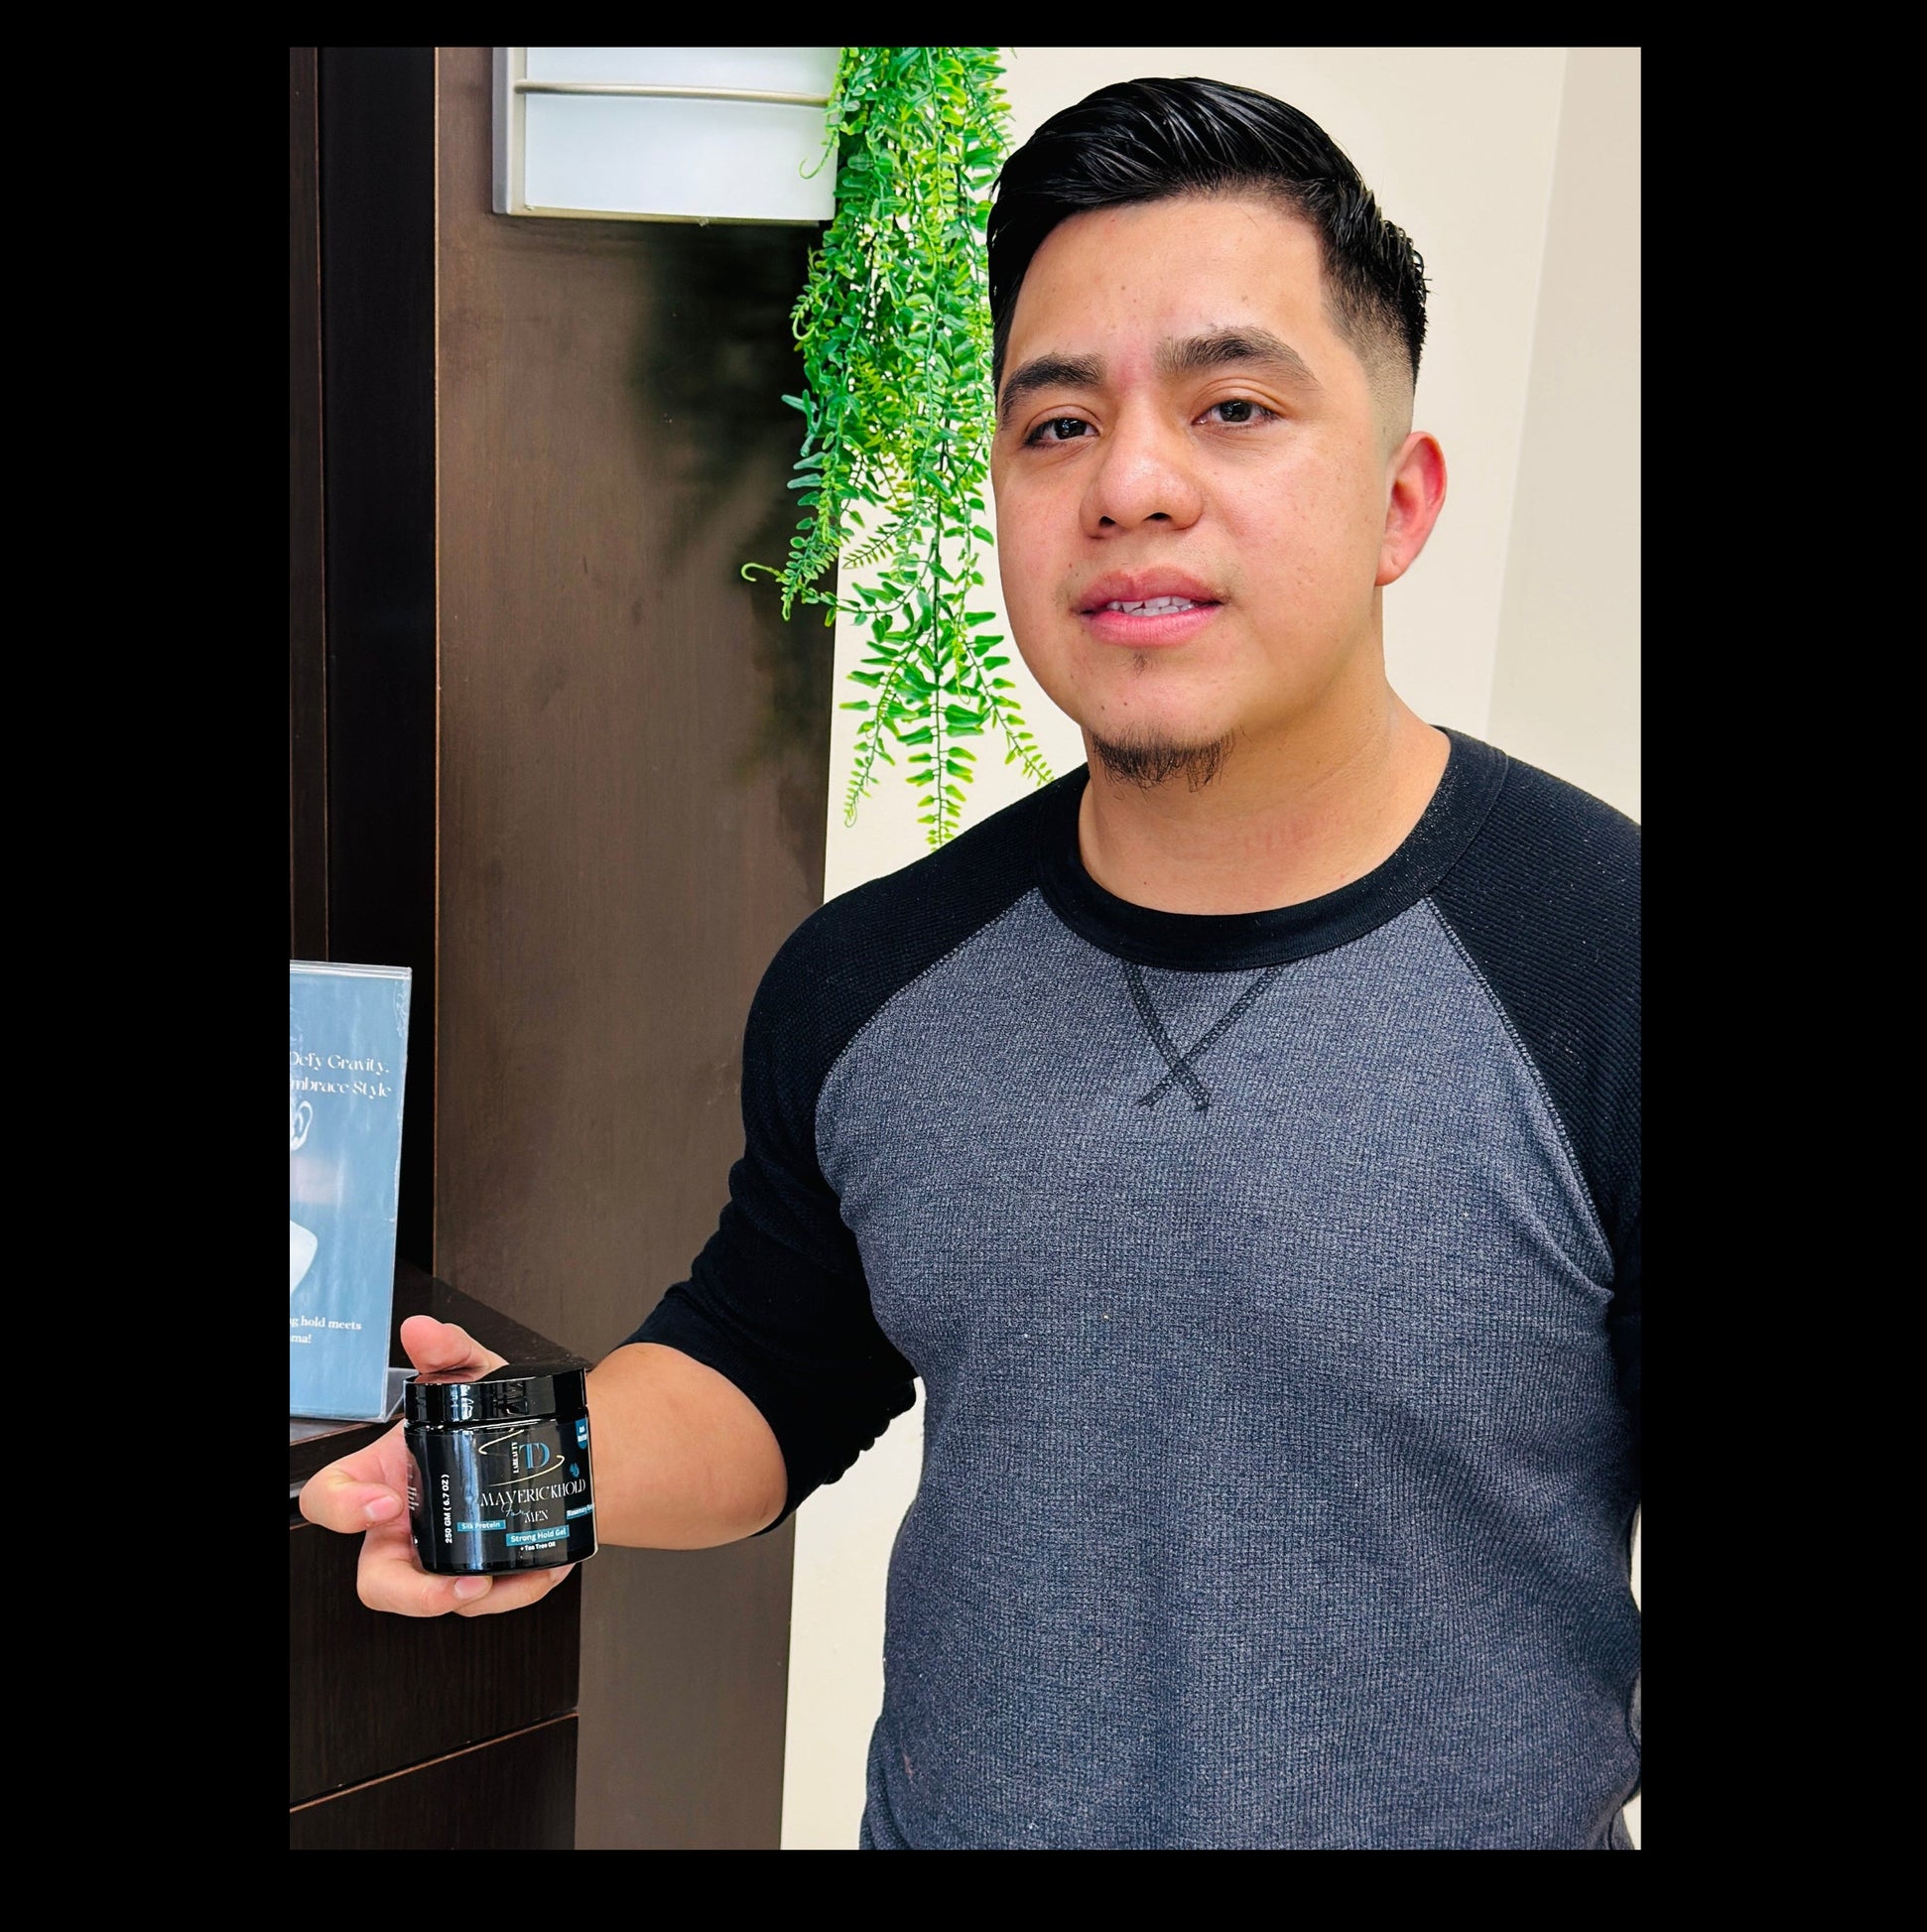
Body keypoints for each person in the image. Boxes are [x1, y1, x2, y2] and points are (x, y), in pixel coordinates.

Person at [302, 76, 1640, 1851]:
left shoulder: (1596, 962)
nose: (1131, 484)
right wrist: (547, 1468)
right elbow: (768, 1369)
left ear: (1399, 502)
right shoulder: (875, 980)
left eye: (1233, 406)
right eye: (1055, 427)